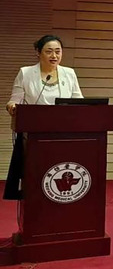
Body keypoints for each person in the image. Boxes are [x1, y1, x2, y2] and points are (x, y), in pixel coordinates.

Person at [3, 35, 83, 199]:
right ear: (38, 52)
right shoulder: (26, 73)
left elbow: (78, 101)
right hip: (34, 135)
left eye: (58, 51)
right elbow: (14, 100)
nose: (54, 56)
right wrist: (12, 106)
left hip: (64, 133)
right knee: (38, 176)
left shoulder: (69, 73)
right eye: (49, 51)